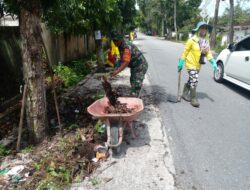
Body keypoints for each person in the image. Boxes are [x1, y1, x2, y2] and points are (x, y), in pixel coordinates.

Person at [178, 21, 218, 107]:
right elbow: (185, 52)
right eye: (202, 28)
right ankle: (193, 98)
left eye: (205, 28)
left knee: (192, 79)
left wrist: (213, 63)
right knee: (194, 79)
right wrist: (181, 62)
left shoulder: (206, 42)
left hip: (198, 65)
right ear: (198, 29)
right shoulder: (191, 40)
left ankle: (184, 94)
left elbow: (208, 54)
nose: (204, 30)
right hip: (190, 63)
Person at [110, 31, 148, 97]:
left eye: (116, 40)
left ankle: (134, 101)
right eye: (113, 40)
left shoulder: (126, 46)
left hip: (140, 66)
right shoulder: (119, 45)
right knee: (132, 81)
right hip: (134, 66)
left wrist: (117, 72)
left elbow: (126, 62)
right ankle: (136, 98)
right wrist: (116, 67)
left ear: (121, 39)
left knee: (136, 85)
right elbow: (122, 59)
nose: (114, 42)